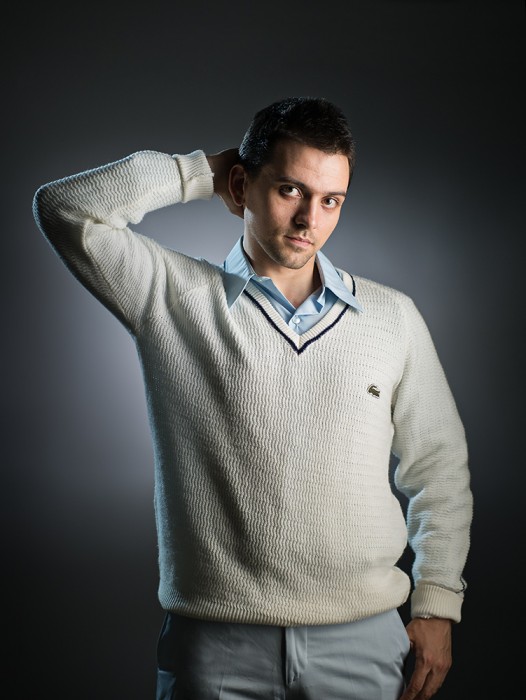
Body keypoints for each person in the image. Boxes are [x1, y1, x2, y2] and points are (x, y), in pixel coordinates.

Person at [33, 96, 473, 700]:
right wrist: (200, 172)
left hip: (365, 640)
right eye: (291, 190)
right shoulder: (170, 296)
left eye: (331, 200)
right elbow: (64, 208)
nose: (309, 219)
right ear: (242, 186)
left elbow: (439, 468)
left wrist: (438, 602)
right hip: (216, 646)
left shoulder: (392, 317)